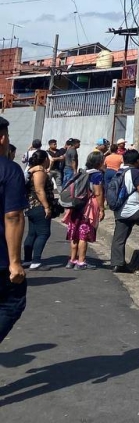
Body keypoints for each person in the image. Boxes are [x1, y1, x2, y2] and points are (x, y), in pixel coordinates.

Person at [0, 116, 28, 344]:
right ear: (2, 138)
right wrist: (15, 262)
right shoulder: (9, 170)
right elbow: (13, 216)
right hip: (0, 260)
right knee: (13, 302)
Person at [62, 151, 105, 270]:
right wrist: (101, 209)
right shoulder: (97, 175)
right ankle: (81, 261)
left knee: (74, 234)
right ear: (99, 162)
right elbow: (98, 193)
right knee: (83, 235)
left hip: (75, 206)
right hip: (87, 208)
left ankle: (72, 260)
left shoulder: (82, 173)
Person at [23, 150, 55, 270]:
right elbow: (39, 190)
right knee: (44, 233)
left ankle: (27, 260)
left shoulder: (32, 170)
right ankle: (36, 261)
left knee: (33, 233)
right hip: (38, 206)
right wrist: (46, 207)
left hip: (31, 206)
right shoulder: (39, 172)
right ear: (45, 159)